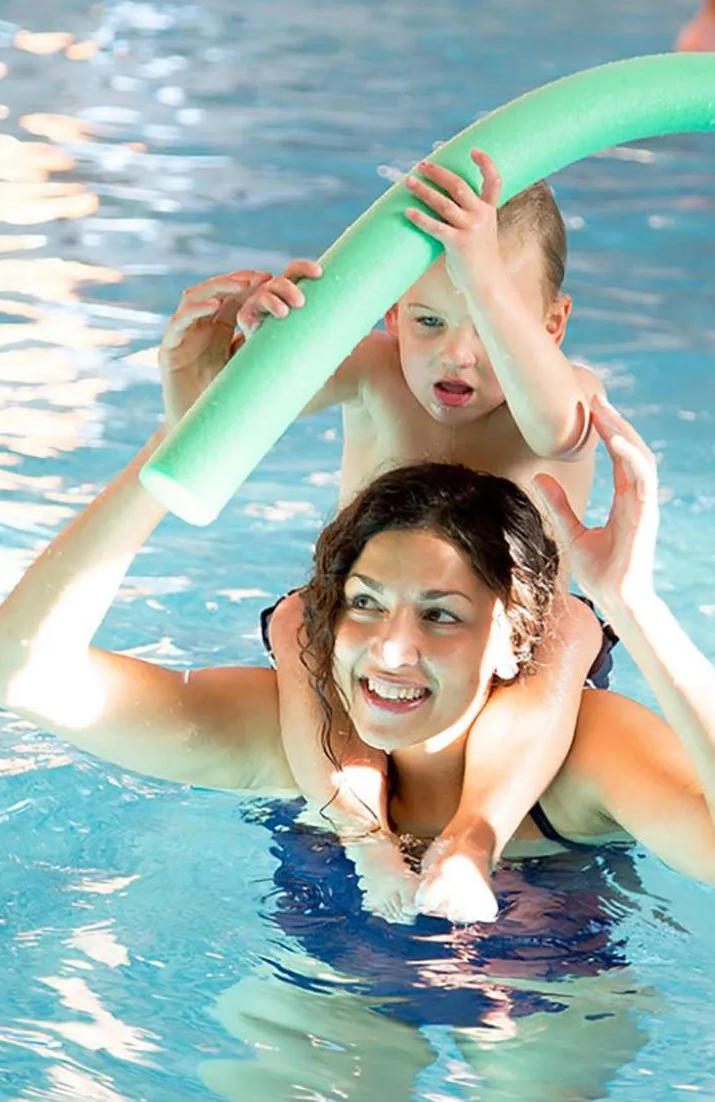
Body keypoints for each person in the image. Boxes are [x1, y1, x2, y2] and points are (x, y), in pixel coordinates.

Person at [0, 274, 715, 932]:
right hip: (332, 981)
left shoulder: (583, 761)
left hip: (544, 986)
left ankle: (474, 833)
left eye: (441, 613)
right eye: (363, 603)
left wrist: (635, 607)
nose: (389, 649)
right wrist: (184, 436)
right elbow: (16, 672)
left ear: (514, 636)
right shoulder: (283, 733)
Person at [242, 154, 605, 927]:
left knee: (572, 622)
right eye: (428, 320)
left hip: (519, 663)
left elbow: (556, 428)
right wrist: (257, 340)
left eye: (491, 320)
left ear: (550, 326)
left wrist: (480, 274)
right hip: (383, 651)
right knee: (298, 615)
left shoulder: (569, 395)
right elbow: (245, 406)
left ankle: (472, 838)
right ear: (390, 314)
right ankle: (364, 835)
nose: (458, 354)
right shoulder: (374, 373)